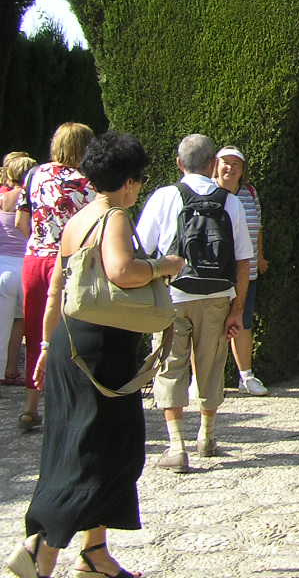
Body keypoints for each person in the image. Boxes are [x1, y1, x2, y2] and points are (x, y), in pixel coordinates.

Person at [6, 131, 182, 578]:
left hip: (70, 343)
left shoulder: (76, 219)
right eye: (138, 179)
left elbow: (55, 294)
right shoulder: (115, 217)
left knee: (77, 445)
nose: (139, 187)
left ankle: (95, 555)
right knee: (100, 453)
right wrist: (165, 265)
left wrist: (45, 346)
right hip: (101, 351)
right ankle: (41, 552)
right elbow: (124, 272)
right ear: (126, 181)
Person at [135, 134, 252, 472]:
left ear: (179, 163)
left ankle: (177, 445)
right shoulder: (230, 202)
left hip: (172, 295)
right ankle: (207, 435)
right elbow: (244, 260)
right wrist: (238, 309)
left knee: (172, 366)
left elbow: (142, 248)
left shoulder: (164, 197)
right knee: (211, 364)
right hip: (217, 296)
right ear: (214, 164)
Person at [16, 123, 95, 432]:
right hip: (70, 262)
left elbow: (23, 221)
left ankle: (30, 405)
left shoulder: (34, 175)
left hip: (35, 259)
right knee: (73, 331)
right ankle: (68, 406)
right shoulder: (87, 182)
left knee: (36, 330)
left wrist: (40, 240)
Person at [214, 146, 269, 396]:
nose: (230, 168)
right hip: (215, 272)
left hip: (247, 272)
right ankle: (204, 379)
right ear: (215, 165)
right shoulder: (208, 191)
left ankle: (246, 376)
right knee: (210, 326)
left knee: (244, 323)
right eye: (226, 163)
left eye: (236, 164)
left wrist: (260, 255)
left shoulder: (249, 192)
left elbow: (258, 226)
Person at [1, 155, 36, 385]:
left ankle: (2, 372)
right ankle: (15, 369)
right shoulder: (31, 199)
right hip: (25, 265)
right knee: (23, 324)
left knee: (2, 324)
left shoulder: (3, 198)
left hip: (2, 265)